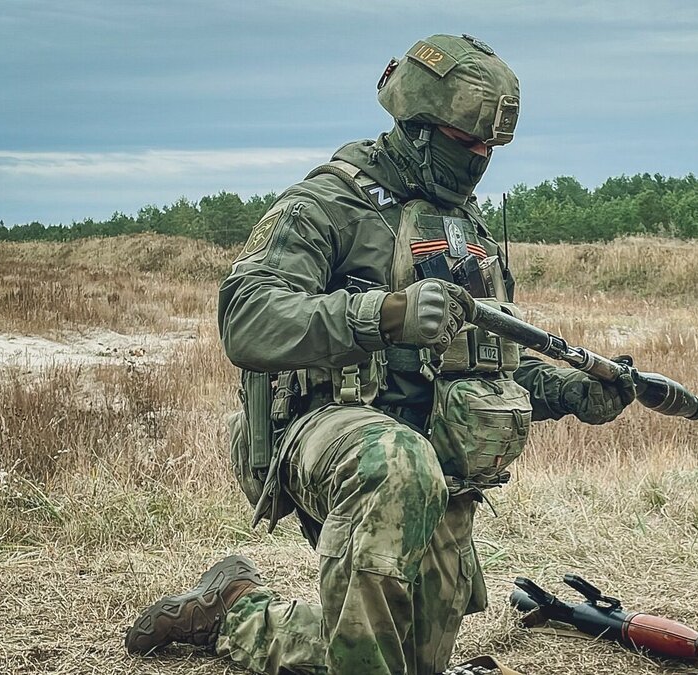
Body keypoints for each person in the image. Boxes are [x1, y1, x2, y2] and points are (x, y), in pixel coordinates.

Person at [123, 34, 637, 674]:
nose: (480, 158)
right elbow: (246, 318)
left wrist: (574, 393)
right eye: (466, 141)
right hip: (326, 436)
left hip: (432, 463)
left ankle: (234, 609)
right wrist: (384, 315)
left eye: (490, 147)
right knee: (396, 461)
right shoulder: (332, 203)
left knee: (397, 655)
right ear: (419, 128)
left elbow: (490, 358)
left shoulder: (465, 229)